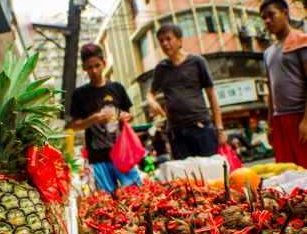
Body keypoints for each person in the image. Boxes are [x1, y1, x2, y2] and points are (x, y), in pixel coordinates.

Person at [146, 24, 228, 160]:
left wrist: (219, 129)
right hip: (176, 132)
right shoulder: (161, 68)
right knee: (186, 178)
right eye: (161, 41)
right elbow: (150, 93)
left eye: (168, 39)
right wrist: (151, 101)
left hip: (200, 127)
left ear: (180, 40)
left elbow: (212, 96)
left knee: (210, 175)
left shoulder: (197, 62)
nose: (165, 44)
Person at [70, 43, 141, 192]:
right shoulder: (79, 94)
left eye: (97, 65)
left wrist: (127, 116)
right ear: (84, 68)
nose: (94, 70)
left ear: (104, 63)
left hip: (123, 154)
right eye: (89, 67)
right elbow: (75, 125)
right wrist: (93, 120)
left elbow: (130, 115)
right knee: (107, 199)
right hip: (98, 158)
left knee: (134, 194)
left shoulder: (117, 88)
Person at [260, 0, 307, 167]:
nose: (267, 21)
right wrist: (271, 125)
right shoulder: (268, 53)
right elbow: (271, 91)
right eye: (264, 18)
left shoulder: (301, 41)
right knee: (287, 174)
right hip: (279, 120)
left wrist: (306, 120)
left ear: (285, 13)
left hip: (301, 117)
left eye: (271, 15)